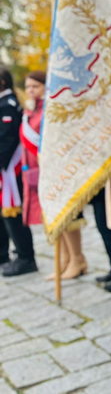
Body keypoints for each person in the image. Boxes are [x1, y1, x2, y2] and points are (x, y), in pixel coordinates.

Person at [21, 71, 88, 280]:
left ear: (45, 87)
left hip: (57, 168)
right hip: (38, 170)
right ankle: (66, 259)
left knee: (67, 215)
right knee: (55, 215)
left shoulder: (51, 108)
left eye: (36, 87)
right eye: (28, 87)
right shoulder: (32, 110)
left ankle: (77, 259)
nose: (31, 91)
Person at [0, 65, 37, 277]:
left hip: (11, 171)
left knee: (14, 215)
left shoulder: (8, 104)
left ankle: (25, 257)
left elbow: (5, 141)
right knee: (6, 215)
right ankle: (7, 255)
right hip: (6, 171)